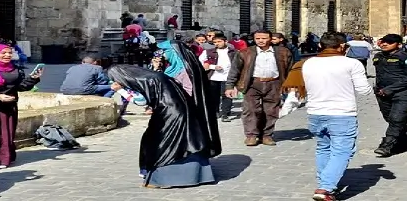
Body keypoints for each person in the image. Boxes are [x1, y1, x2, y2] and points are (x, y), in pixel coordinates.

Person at [108, 60, 220, 188]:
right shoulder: (155, 76)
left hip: (169, 115)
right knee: (186, 141)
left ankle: (164, 178)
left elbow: (141, 101)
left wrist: (120, 90)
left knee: (163, 145)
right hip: (181, 111)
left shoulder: (145, 80)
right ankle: (197, 174)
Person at [300, 32, 372, 201]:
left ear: (320, 46)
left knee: (323, 147)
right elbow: (363, 90)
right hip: (342, 114)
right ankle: (325, 188)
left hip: (315, 112)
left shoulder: (308, 63)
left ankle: (324, 182)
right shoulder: (351, 63)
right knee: (342, 151)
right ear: (341, 46)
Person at [225, 29, 293, 146]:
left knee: (271, 110)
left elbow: (290, 69)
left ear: (270, 39)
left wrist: (291, 85)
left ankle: (267, 135)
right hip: (252, 84)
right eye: (258, 38)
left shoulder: (283, 52)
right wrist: (230, 86)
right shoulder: (245, 52)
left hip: (274, 83)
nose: (261, 41)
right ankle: (251, 135)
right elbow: (235, 70)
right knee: (250, 110)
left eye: (264, 38)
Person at [371, 33, 407, 157]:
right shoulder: (378, 56)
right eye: (383, 42)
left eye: (389, 42)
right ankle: (402, 143)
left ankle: (386, 146)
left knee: (397, 119)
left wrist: (390, 89)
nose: (385, 44)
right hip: (383, 94)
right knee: (391, 120)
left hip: (405, 93)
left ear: (399, 44)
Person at [202, 34, 237, 122]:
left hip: (228, 78)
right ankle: (215, 112)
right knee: (213, 96)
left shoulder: (234, 52)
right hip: (213, 77)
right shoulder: (208, 52)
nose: (217, 44)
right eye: (215, 42)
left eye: (219, 41)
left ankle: (225, 114)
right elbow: (200, 63)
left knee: (227, 95)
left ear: (226, 42)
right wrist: (212, 67)